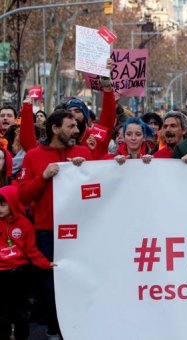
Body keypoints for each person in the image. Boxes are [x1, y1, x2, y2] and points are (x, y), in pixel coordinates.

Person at [17, 110, 91, 339]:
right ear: (55, 129)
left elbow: (99, 185)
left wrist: (85, 171)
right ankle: (55, 329)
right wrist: (44, 177)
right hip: (47, 232)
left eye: (77, 126)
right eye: (71, 126)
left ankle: (82, 326)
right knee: (50, 285)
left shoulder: (83, 152)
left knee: (81, 280)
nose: (77, 131)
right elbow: (24, 196)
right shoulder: (33, 156)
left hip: (81, 232)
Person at [0, 186, 55, 340]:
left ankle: (21, 336)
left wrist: (45, 263)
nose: (0, 208)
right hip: (1, 273)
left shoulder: (24, 224)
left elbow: (32, 250)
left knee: (21, 312)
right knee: (2, 312)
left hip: (20, 273)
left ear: (12, 203)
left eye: (3, 204)